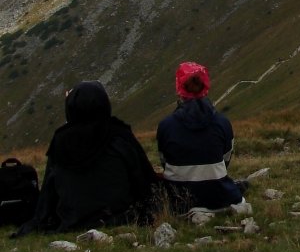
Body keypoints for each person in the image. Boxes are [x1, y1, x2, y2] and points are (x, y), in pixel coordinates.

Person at [16, 81, 159, 235]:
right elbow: (143, 177)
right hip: (119, 216)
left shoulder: (61, 140)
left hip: (72, 219)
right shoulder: (119, 134)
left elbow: (50, 190)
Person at [157, 62, 245, 211]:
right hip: (219, 197)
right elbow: (226, 159)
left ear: (179, 88)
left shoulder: (166, 125)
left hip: (179, 201)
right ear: (205, 86)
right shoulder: (223, 122)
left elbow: (164, 161)